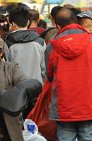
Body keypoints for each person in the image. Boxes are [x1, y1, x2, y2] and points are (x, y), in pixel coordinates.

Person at [45, 8, 92, 141]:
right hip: (88, 105)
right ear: (76, 21)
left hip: (63, 106)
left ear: (57, 25)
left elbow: (49, 76)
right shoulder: (90, 42)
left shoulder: (52, 47)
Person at [6, 5, 46, 84]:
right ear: (28, 22)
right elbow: (44, 69)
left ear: (12, 24)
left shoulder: (8, 43)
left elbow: (6, 70)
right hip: (37, 87)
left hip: (16, 89)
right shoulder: (40, 41)